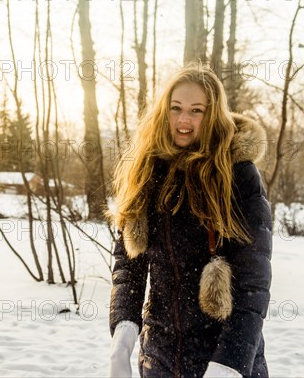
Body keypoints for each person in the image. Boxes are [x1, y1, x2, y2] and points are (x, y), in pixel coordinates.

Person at [107, 65, 272, 378]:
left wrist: (229, 364)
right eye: (176, 109)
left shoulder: (238, 175)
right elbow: (129, 266)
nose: (184, 121)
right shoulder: (148, 171)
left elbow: (253, 284)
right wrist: (124, 332)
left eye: (196, 111)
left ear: (212, 115)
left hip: (221, 361)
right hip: (160, 359)